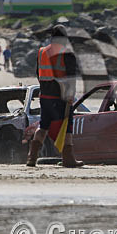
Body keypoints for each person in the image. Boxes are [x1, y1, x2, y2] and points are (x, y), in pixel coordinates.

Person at [26, 25, 82, 168]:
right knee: (67, 126)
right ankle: (68, 159)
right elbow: (71, 77)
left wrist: (45, 88)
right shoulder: (67, 53)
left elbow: (38, 74)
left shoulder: (42, 52)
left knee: (43, 126)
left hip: (45, 96)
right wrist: (70, 95)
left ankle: (32, 157)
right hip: (61, 97)